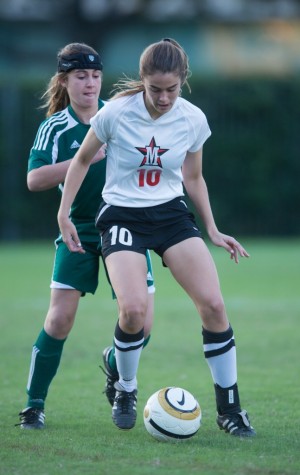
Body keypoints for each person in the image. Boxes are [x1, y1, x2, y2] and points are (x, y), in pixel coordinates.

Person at [57, 38, 256, 437]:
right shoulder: (115, 113)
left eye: (172, 89)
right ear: (142, 81)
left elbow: (193, 177)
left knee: (214, 306)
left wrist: (212, 229)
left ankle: (230, 409)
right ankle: (125, 389)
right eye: (155, 89)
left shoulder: (192, 119)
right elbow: (80, 161)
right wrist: (63, 213)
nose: (164, 99)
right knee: (132, 312)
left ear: (183, 81)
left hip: (170, 214)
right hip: (121, 214)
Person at [16, 42, 155, 429]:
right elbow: (34, 179)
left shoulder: (119, 115)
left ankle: (114, 362)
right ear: (65, 80)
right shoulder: (56, 126)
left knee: (141, 326)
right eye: (81, 77)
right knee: (59, 320)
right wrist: (83, 159)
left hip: (126, 226)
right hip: (77, 228)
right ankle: (34, 405)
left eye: (95, 76)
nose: (90, 83)